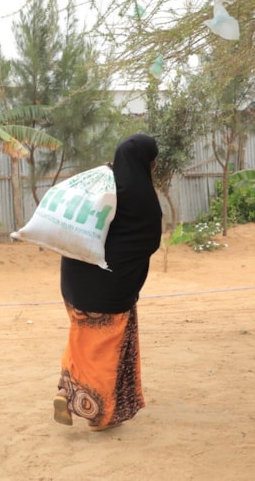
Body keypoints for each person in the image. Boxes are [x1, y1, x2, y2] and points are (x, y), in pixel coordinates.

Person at [53, 133, 162, 431]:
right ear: (147, 162)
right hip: (109, 292)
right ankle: (99, 415)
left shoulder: (100, 185)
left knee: (81, 337)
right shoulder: (141, 199)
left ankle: (65, 392)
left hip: (73, 281)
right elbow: (149, 241)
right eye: (153, 160)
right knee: (103, 352)